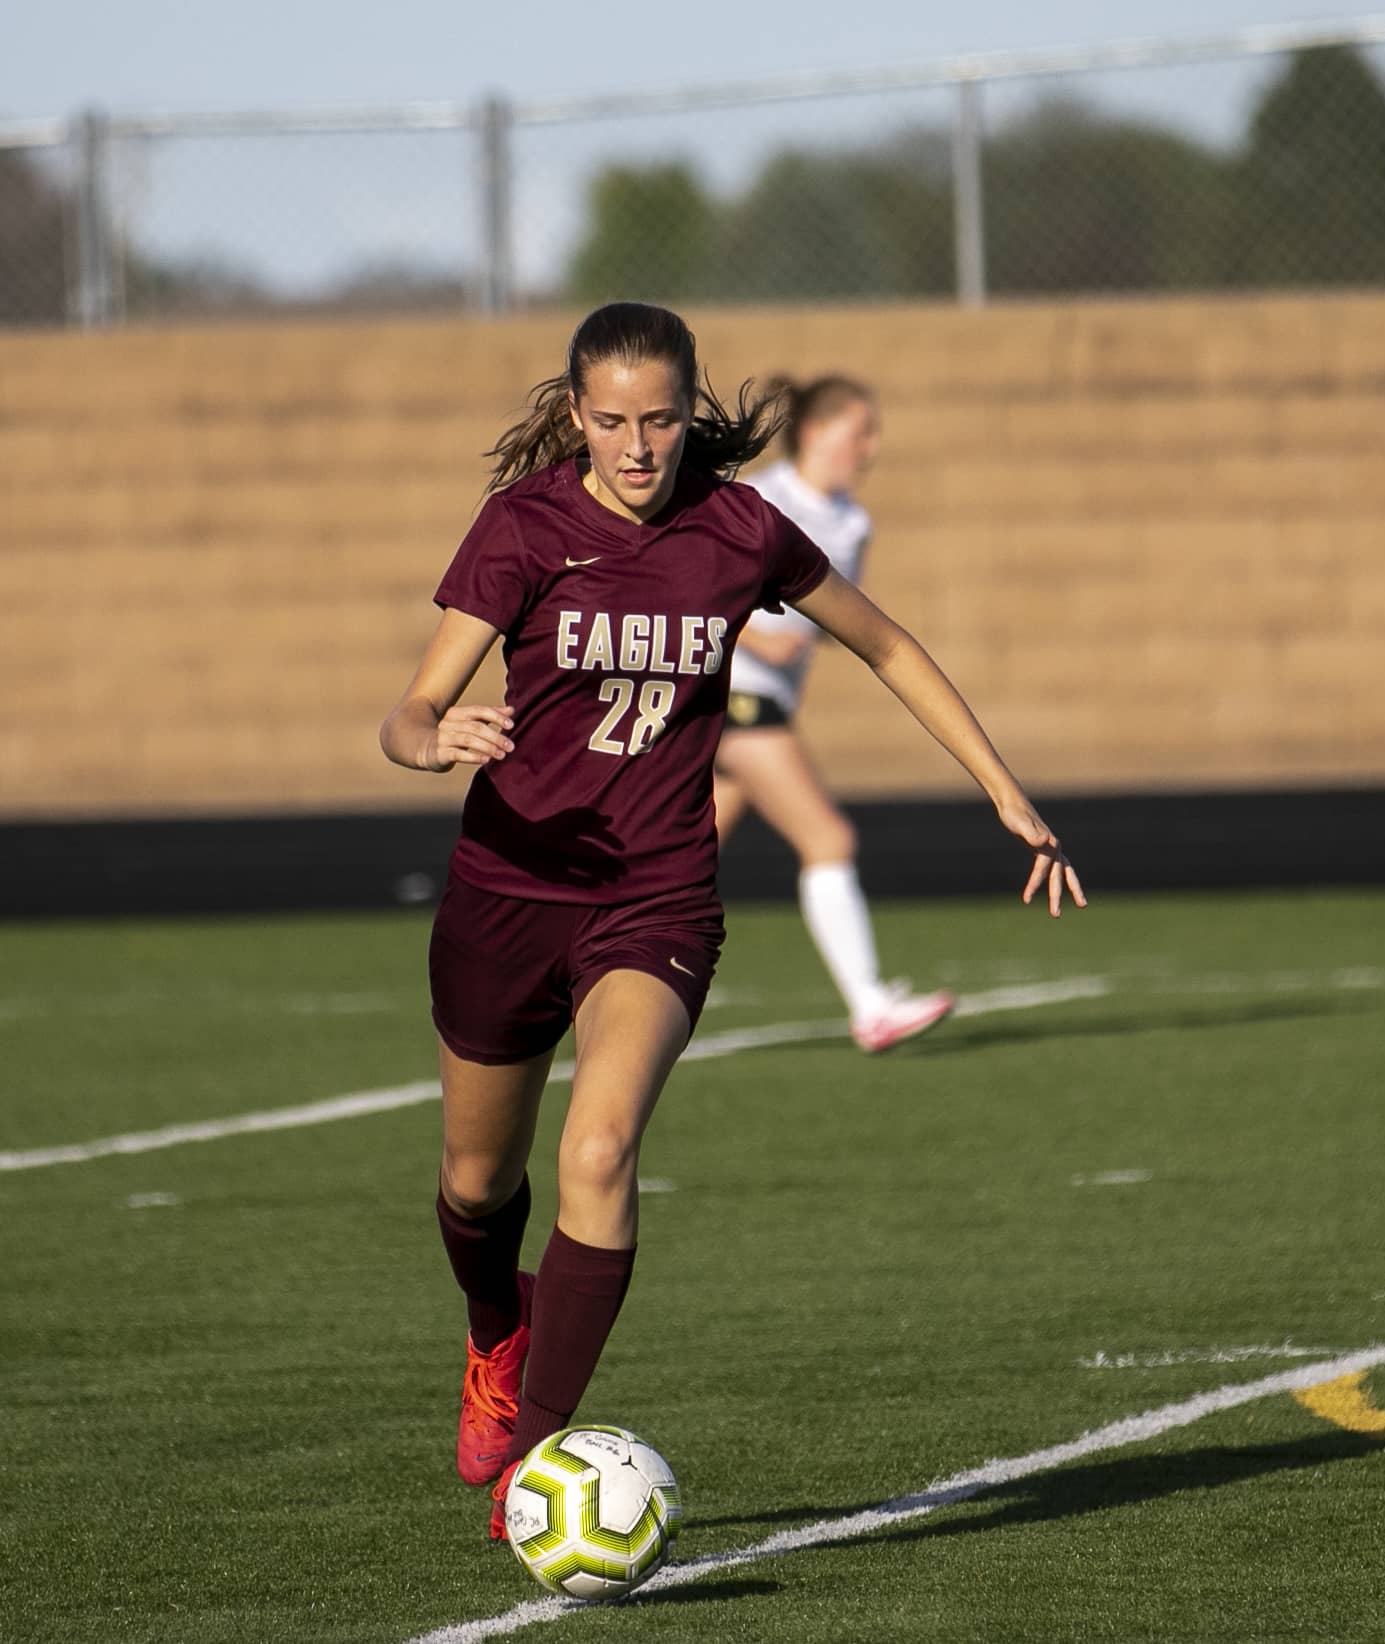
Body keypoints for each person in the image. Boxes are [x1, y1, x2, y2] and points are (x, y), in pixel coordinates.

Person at [378, 301, 1085, 1539]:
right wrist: (436, 741)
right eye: (609, 422)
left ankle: (541, 1459)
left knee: (597, 1155)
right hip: (506, 893)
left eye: (658, 420)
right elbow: (409, 709)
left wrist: (1004, 787)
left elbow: (888, 646)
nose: (636, 447)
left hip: (654, 898)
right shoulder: (526, 525)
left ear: (690, 407)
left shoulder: (740, 526)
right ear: (576, 413)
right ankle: (498, 1335)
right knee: (478, 1185)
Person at [719, 373, 955, 1052]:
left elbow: (832, 617)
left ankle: (575, 967)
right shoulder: (758, 498)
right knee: (828, 841)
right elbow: (699, 595)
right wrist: (759, 635)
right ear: (817, 433)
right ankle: (869, 1006)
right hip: (732, 692)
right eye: (861, 432)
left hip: (766, 701)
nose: (872, 447)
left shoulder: (852, 523)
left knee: (681, 858)